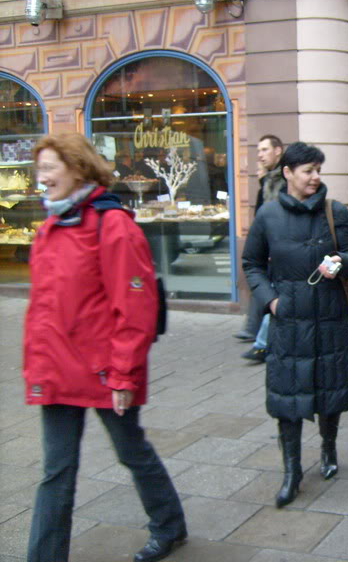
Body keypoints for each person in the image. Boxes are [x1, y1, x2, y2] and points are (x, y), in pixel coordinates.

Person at [24, 134, 186, 562]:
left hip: (105, 370)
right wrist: (37, 370)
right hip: (58, 371)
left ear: (77, 168)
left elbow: (135, 308)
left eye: (48, 168)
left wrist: (124, 375)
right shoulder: (50, 226)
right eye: (37, 169)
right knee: (56, 473)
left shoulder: (111, 225)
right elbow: (44, 311)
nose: (41, 178)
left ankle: (169, 525)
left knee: (132, 453)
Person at [242, 141, 348, 507]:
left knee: (329, 391)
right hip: (289, 320)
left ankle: (328, 449)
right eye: (308, 171)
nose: (315, 177)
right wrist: (271, 300)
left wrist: (341, 261)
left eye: (318, 171)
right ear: (288, 173)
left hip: (329, 316)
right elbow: (252, 264)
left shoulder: (335, 211)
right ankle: (291, 472)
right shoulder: (268, 215)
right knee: (287, 399)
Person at [241, 134, 285, 363]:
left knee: (275, 290)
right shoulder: (269, 178)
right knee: (267, 286)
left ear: (278, 150)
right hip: (269, 242)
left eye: (265, 149)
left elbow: (272, 211)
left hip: (278, 245)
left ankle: (260, 340)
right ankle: (255, 333)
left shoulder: (282, 178)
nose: (259, 154)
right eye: (258, 150)